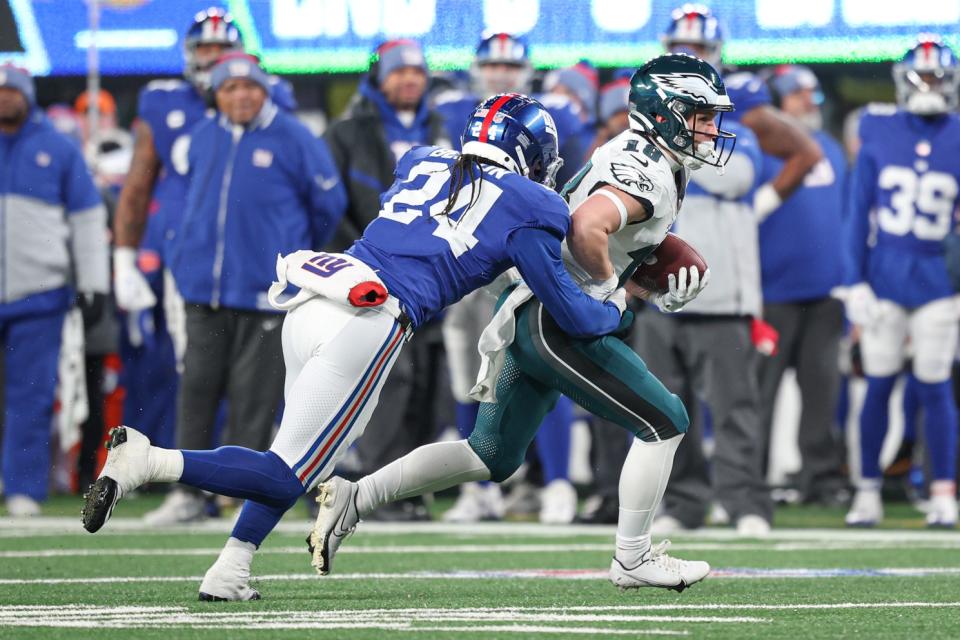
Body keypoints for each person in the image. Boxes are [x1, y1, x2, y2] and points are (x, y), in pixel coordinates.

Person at [82, 93, 629, 601]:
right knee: (293, 472)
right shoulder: (528, 203)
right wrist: (617, 300)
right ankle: (148, 460)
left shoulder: (421, 160)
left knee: (291, 452)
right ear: (530, 152)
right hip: (368, 319)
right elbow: (573, 315)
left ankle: (231, 567)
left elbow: (441, 235)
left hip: (316, 297)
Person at [312, 54, 732, 593]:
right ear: (665, 113)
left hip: (531, 312)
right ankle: (633, 558)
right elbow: (587, 225)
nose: (712, 128)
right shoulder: (647, 169)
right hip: (555, 320)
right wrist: (613, 290)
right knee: (664, 420)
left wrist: (637, 267)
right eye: (701, 115)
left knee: (489, 454)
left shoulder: (649, 156)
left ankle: (356, 496)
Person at [111, 7, 297, 525]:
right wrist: (124, 257)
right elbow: (139, 181)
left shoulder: (270, 101)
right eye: (206, 52)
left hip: (256, 263)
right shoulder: (164, 102)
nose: (215, 62)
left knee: (255, 385)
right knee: (195, 375)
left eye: (224, 53)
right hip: (188, 263)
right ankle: (190, 489)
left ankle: (237, 491)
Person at [433, 32, 587, 524]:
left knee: (543, 364)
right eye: (492, 64)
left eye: (510, 65)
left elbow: (573, 182)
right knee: (466, 370)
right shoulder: (453, 110)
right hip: (472, 258)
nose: (500, 72)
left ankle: (557, 483)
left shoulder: (554, 113)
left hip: (528, 257)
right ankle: (478, 491)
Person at [324, 39, 453, 520]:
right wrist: (363, 259)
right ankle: (377, 486)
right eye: (399, 73)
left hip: (433, 278)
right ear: (379, 78)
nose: (409, 80)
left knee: (425, 382)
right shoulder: (348, 133)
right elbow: (330, 208)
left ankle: (409, 489)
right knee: (388, 380)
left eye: (417, 72)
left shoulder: (442, 130)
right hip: (371, 275)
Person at [839, 36, 960, 528]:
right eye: (922, 77)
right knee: (879, 384)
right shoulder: (878, 128)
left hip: (939, 277)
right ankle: (868, 490)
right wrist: (853, 282)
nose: (929, 86)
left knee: (934, 385)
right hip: (885, 273)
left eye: (936, 78)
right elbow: (855, 211)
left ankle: (943, 492)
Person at [637, 118, 770, 536]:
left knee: (735, 410)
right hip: (659, 301)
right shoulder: (640, 145)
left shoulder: (737, 139)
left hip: (722, 300)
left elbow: (737, 178)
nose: (706, 122)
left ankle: (744, 501)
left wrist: (674, 148)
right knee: (668, 414)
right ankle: (684, 501)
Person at [0, 64, 109, 515]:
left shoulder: (58, 148)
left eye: (12, 91)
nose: (5, 98)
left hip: (39, 290)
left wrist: (94, 283)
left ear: (28, 96)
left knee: (32, 393)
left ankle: (24, 486)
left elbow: (86, 222)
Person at [756, 65, 849, 506]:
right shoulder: (758, 149)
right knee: (758, 397)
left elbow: (847, 218)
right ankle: (748, 481)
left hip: (825, 292)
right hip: (771, 292)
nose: (809, 101)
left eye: (812, 93)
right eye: (798, 94)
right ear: (776, 101)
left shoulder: (828, 147)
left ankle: (822, 478)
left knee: (821, 394)